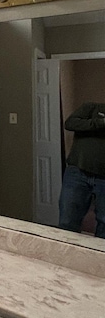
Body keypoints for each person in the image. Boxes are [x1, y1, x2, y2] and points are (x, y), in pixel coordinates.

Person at [58, 102, 105, 239]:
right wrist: (101, 122)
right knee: (67, 221)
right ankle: (65, 257)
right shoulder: (92, 108)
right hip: (77, 173)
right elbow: (70, 124)